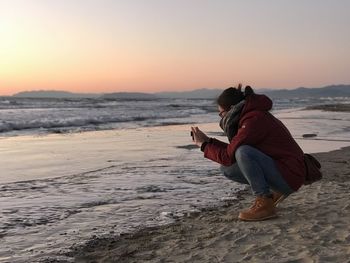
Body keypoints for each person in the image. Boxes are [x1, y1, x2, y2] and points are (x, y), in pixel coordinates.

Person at [191, 84, 306, 221]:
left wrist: (203, 145)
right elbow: (231, 153)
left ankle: (264, 202)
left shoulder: (253, 120)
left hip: (291, 175)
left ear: (232, 109)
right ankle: (273, 193)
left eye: (221, 114)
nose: (221, 119)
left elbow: (231, 154)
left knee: (243, 152)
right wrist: (208, 142)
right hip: (287, 171)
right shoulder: (251, 115)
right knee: (228, 168)